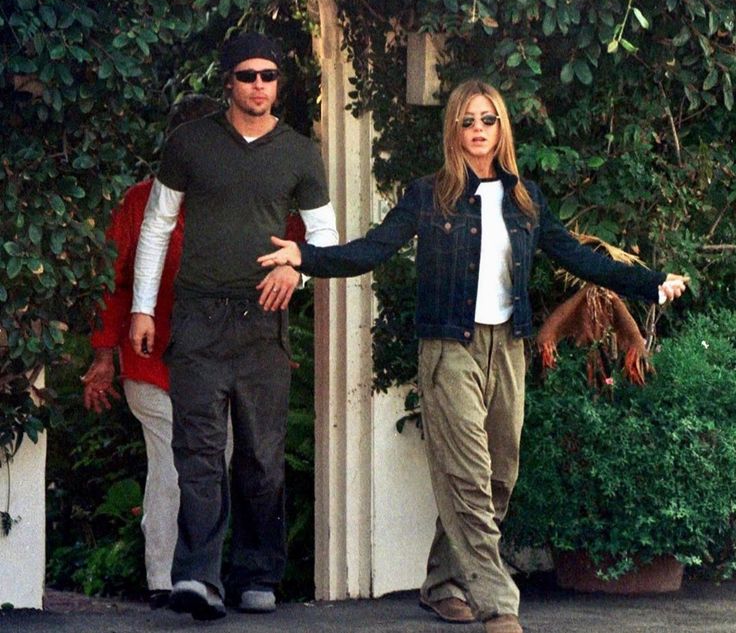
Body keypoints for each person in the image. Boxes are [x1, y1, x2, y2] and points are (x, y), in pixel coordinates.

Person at [257, 79, 688, 633]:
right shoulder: (427, 195)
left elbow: (580, 258)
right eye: (467, 121)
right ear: (454, 130)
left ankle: (441, 584)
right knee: (468, 477)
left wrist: (649, 284)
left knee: (499, 478)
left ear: (501, 128)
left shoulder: (526, 199)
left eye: (487, 120)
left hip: (507, 346)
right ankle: (498, 606)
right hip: (448, 348)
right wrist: (307, 257)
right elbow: (371, 249)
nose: (478, 129)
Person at [129, 32, 338, 621]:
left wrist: (296, 272)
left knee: (262, 456)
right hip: (196, 318)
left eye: (269, 76)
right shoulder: (189, 143)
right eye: (247, 75)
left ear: (280, 84)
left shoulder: (299, 152)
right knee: (196, 451)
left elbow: (324, 239)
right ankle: (198, 577)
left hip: (262, 323)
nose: (258, 86)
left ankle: (257, 572)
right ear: (228, 80)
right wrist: (144, 308)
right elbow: (155, 226)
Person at [81, 94, 221, 610]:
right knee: (174, 458)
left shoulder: (234, 200)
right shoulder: (140, 202)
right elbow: (112, 282)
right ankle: (167, 579)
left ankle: (200, 576)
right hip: (149, 358)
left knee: (212, 459)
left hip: (214, 359)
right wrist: (102, 354)